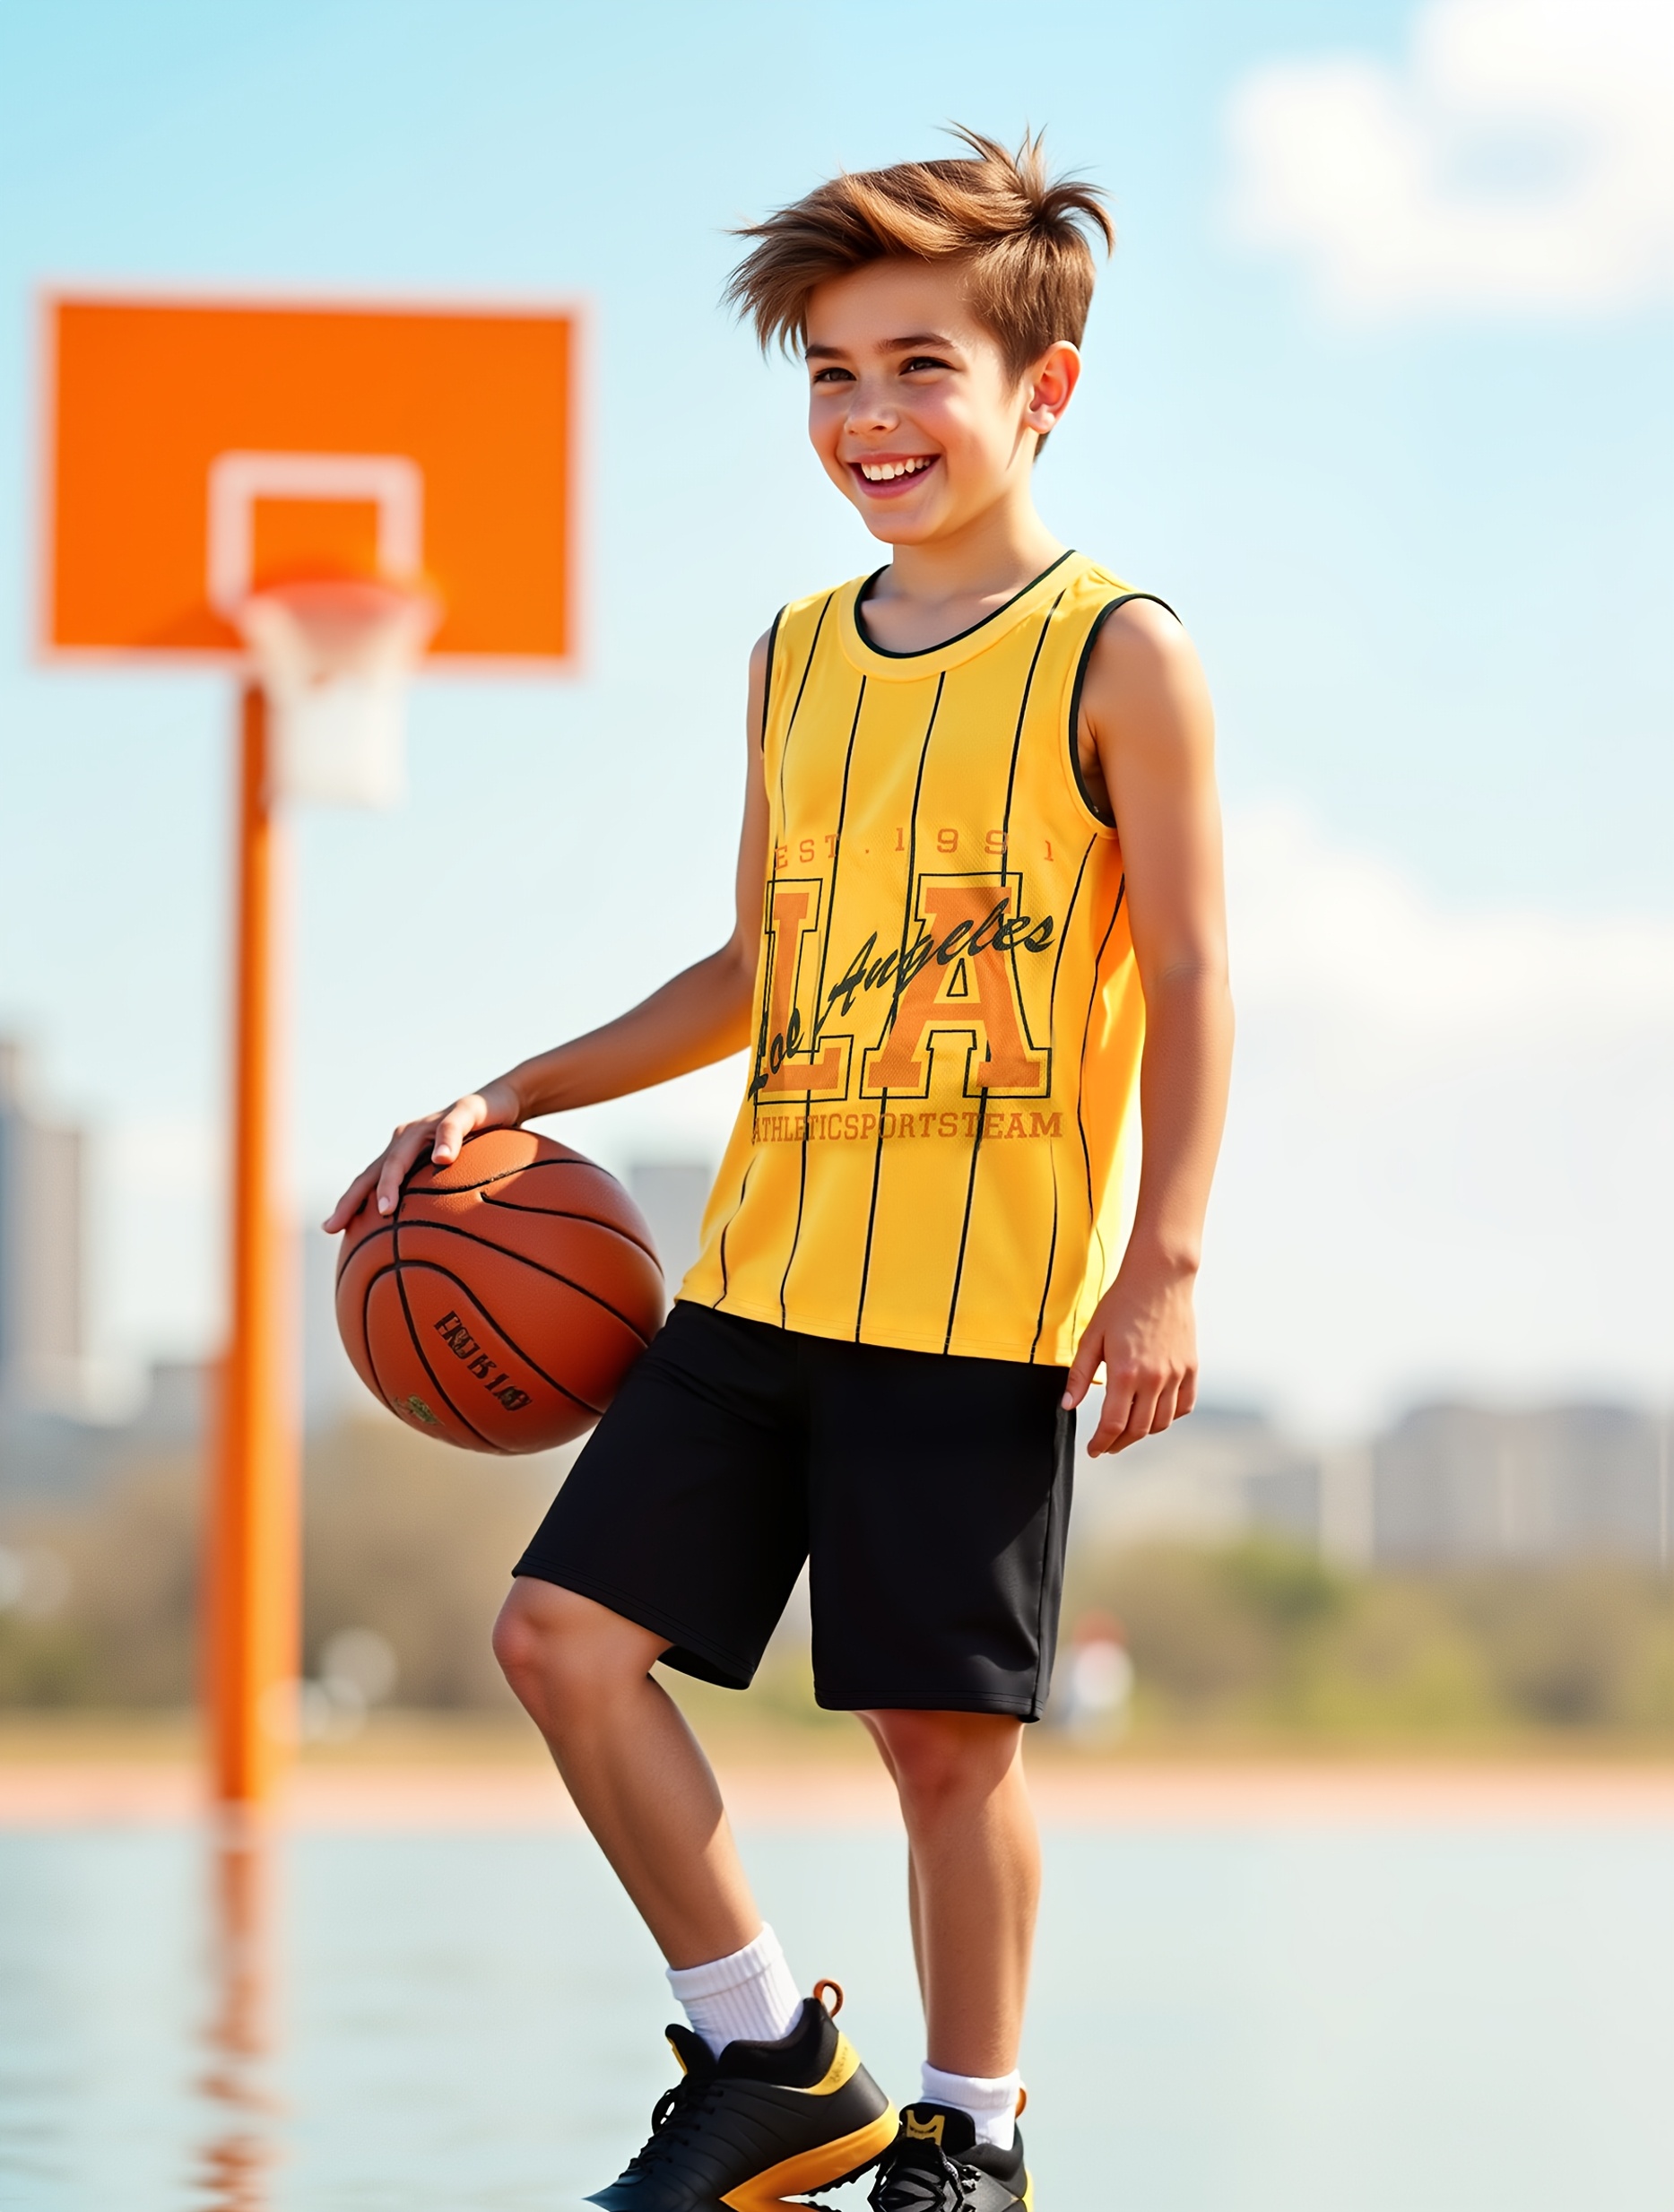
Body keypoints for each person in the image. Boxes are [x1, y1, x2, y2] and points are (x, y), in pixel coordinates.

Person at [328, 126, 1231, 2212]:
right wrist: (506, 1093)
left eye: (918, 366)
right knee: (557, 1638)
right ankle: (767, 2051)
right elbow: (755, 965)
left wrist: (1163, 1260)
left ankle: (969, 2140)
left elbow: (1188, 971)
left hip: (974, 1301)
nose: (870, 417)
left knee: (941, 1748)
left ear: (1041, 390)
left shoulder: (1120, 656)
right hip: (751, 1280)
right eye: (830, 374)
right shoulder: (792, 656)